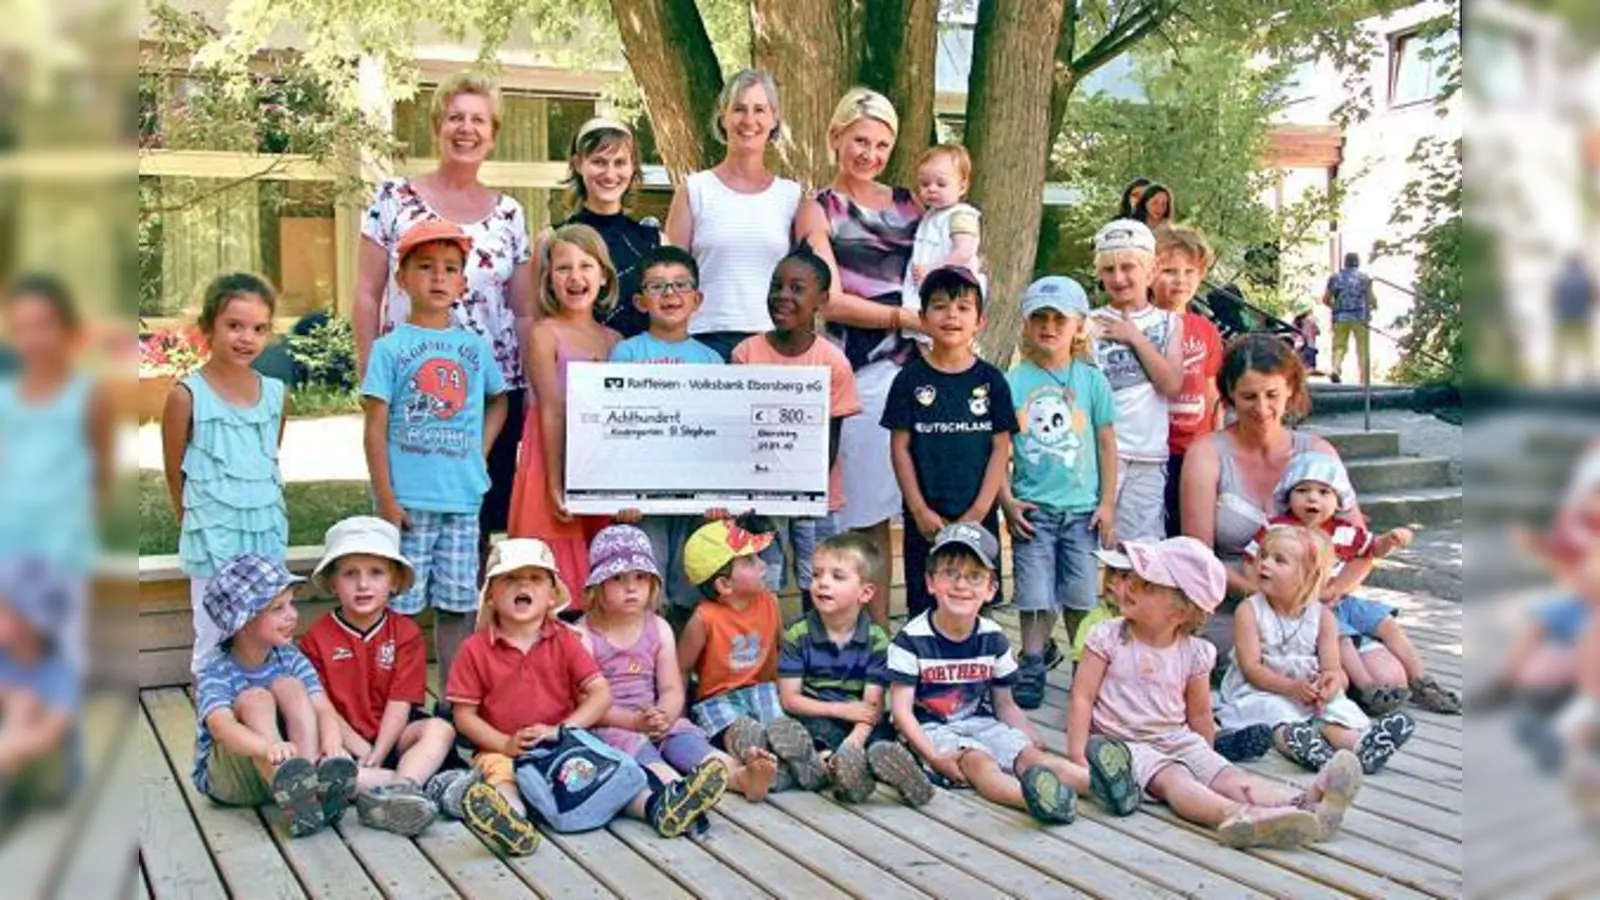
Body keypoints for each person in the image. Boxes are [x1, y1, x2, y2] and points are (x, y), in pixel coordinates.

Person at [1070, 538, 1362, 848]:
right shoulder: (1108, 636)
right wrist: (1078, 755)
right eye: (1131, 579)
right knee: (1174, 781)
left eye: (1145, 585)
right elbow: (1082, 697)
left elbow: (1199, 712)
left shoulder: (1195, 652)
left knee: (1229, 776)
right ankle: (1238, 814)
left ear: (1180, 610)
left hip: (1177, 738)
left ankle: (1307, 802)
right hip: (1123, 745)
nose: (1127, 586)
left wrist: (1206, 760)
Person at [353, 72, 536, 557]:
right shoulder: (394, 199)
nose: (466, 129)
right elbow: (368, 293)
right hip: (410, 386)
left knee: (475, 520)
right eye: (455, 117)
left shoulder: (510, 214)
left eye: (478, 120)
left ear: (493, 134)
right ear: (437, 126)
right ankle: (404, 625)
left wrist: (531, 387)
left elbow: (522, 311)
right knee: (405, 517)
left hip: (488, 391)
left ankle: (472, 622)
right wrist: (367, 371)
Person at [448, 538, 727, 856]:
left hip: (565, 745)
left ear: (552, 595)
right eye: (510, 578)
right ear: (492, 595)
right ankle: (511, 824)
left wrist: (564, 730)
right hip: (502, 747)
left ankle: (659, 806)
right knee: (504, 780)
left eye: (536, 578)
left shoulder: (565, 639)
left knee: (608, 779)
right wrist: (503, 743)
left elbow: (600, 693)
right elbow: (464, 715)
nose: (523, 585)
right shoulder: (475, 649)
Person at [887, 523, 1136, 824]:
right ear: (930, 582)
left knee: (1031, 757)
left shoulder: (993, 636)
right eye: (950, 574)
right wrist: (933, 756)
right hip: (932, 732)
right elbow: (902, 713)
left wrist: (1027, 734)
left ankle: (1104, 785)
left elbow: (1004, 703)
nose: (961, 585)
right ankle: (1034, 799)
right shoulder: (911, 639)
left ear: (991, 589)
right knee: (981, 764)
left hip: (982, 723)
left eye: (974, 577)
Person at [361, 220, 509, 690]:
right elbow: (374, 427)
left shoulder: (473, 347)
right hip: (408, 501)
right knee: (402, 606)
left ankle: (453, 698)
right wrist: (386, 497)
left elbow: (498, 400)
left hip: (462, 501)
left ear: (464, 282)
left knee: (458, 602)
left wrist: (479, 453)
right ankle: (399, 698)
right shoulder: (390, 349)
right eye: (425, 268)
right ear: (402, 278)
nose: (439, 278)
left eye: (450, 269)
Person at [816, 87, 924, 625]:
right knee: (860, 510)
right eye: (860, 140)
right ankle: (866, 632)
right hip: (858, 369)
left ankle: (896, 632)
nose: (870, 154)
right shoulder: (819, 210)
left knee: (898, 506)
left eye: (882, 145)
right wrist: (902, 318)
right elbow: (829, 298)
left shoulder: (912, 203)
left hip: (919, 371)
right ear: (836, 137)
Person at [1179, 333, 1352, 664]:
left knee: (1386, 674)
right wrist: (1266, 595)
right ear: (1228, 395)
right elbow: (1197, 554)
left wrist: (1330, 592)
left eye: (1272, 395)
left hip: (1313, 602)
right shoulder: (1207, 454)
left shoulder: (1317, 451)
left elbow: (1359, 540)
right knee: (1263, 659)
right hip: (1233, 600)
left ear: (1290, 388)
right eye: (1248, 397)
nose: (1261, 409)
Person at [1243, 453, 1461, 715]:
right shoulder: (1278, 529)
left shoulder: (1343, 530)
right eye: (1302, 490)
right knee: (1339, 637)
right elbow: (1253, 559)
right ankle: (1369, 688)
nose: (1313, 498)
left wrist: (1390, 540)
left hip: (1342, 598)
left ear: (1339, 500)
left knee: (1386, 622)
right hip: (1308, 606)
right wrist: (1267, 591)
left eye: (1324, 492)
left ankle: (1421, 680)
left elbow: (1371, 549)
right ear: (1288, 495)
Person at [577, 525, 779, 804]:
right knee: (639, 754)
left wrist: (665, 715)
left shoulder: (658, 628)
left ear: (653, 584)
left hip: (658, 717)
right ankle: (677, 793)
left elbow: (671, 687)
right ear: (597, 587)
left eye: (640, 577)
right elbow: (586, 703)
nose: (631, 587)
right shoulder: (584, 636)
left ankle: (741, 776)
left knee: (687, 741)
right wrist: (635, 722)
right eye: (618, 579)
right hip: (612, 725)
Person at [161, 272, 289, 675]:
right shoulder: (186, 396)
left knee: (263, 632)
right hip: (212, 535)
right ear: (208, 328)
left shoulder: (275, 395)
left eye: (258, 328)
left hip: (264, 530)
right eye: (234, 325)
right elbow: (173, 474)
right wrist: (192, 521)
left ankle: (259, 727)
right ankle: (210, 730)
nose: (246, 337)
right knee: (212, 636)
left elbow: (269, 461)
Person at [298, 517, 456, 836]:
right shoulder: (316, 638)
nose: (363, 584)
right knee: (321, 770)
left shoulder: (406, 633)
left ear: (395, 581)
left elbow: (401, 703)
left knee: (440, 729)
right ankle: (410, 788)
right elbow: (322, 707)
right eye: (350, 574)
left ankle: (394, 793)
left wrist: (380, 752)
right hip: (343, 745)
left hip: (393, 737)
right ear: (332, 582)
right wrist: (362, 753)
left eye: (376, 572)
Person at [1215, 525, 1415, 775]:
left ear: (1308, 575)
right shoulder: (1250, 610)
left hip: (1309, 692)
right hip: (1260, 690)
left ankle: (1362, 746)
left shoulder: (1322, 617)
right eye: (1263, 556)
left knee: (1331, 715)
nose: (1264, 564)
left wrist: (1330, 684)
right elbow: (1252, 668)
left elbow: (1333, 667)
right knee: (1279, 716)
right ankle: (1308, 749)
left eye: (1279, 560)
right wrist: (1290, 688)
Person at [1001, 276, 1116, 709]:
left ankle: (1085, 665)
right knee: (1033, 595)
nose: (1049, 327)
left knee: (1082, 596)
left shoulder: (1091, 381)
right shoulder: (1013, 382)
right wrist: (1006, 500)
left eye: (1059, 319)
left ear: (1079, 326)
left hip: (1082, 511)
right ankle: (1032, 660)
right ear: (1027, 326)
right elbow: (999, 448)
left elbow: (1106, 443)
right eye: (1040, 319)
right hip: (1034, 510)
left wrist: (1107, 503)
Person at [665, 68, 834, 362]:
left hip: (773, 341)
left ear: (774, 119)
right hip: (704, 340)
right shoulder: (694, 190)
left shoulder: (792, 197)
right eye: (739, 109)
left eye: (760, 110)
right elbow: (670, 275)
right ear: (723, 116)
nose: (749, 120)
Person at [733, 245, 863, 610]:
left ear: (821, 299)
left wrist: (798, 485)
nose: (782, 297)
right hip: (759, 499)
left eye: (796, 288)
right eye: (776, 286)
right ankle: (765, 655)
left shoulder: (832, 362)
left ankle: (820, 653)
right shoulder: (746, 354)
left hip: (816, 497)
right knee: (761, 581)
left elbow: (831, 439)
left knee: (822, 582)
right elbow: (739, 434)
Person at [884, 266, 1018, 619]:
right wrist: (918, 509)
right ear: (923, 318)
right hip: (926, 520)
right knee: (924, 606)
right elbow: (900, 447)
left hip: (977, 517)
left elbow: (1001, 447)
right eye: (940, 306)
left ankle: (980, 670)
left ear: (980, 320)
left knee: (976, 602)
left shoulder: (992, 381)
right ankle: (924, 670)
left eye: (963, 307)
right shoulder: (908, 380)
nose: (951, 315)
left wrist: (978, 513)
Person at [190, 555, 354, 837]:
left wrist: (332, 744)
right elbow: (222, 726)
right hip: (232, 780)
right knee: (256, 698)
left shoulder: (290, 658)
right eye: (278, 608)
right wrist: (267, 749)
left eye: (291, 604)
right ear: (243, 621)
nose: (292, 615)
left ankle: (308, 780)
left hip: (284, 767)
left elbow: (323, 709)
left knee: (289, 685)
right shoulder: (216, 670)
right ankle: (291, 778)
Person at [0, 275, 111, 667]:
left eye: (43, 325)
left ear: (66, 329)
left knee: (62, 651)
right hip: (10, 541)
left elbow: (101, 470)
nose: (32, 337)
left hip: (64, 545)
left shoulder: (86, 394)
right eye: (21, 328)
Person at [507, 224, 621, 605]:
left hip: (600, 461)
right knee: (551, 565)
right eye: (563, 268)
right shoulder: (545, 333)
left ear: (604, 276)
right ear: (549, 278)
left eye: (586, 266)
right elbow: (551, 409)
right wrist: (557, 482)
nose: (575, 277)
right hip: (551, 457)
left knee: (601, 560)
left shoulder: (615, 341)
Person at [776, 532, 934, 805]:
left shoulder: (876, 640)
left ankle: (881, 770)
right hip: (817, 714)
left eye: (837, 577)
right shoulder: (797, 635)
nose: (822, 583)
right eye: (816, 575)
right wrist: (837, 710)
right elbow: (790, 699)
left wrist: (855, 741)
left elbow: (871, 706)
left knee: (881, 739)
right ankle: (844, 771)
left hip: (861, 721)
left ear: (866, 592)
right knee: (800, 730)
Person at [676, 518, 829, 791]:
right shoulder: (704, 618)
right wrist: (680, 716)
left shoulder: (769, 602)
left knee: (781, 725)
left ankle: (801, 760)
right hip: (718, 699)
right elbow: (681, 669)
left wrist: (800, 687)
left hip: (764, 690)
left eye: (758, 557)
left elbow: (784, 649)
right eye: (749, 562)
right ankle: (764, 762)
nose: (763, 565)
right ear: (724, 585)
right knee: (740, 730)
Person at [1089, 220, 1184, 544]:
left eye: (1128, 267)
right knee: (1096, 540)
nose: (1118, 278)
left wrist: (1135, 339)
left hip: (1148, 454)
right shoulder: (1088, 323)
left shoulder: (1168, 322)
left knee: (1143, 546)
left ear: (1150, 268)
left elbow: (1171, 384)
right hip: (1100, 454)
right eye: (1109, 269)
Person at [557, 117, 661, 339]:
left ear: (633, 167)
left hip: (638, 368)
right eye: (599, 162)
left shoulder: (655, 242)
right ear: (577, 164)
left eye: (620, 162)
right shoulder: (553, 239)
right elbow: (537, 314)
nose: (610, 174)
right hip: (573, 366)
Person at [1151, 225, 1225, 538]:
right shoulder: (1142, 325)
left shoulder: (1205, 329)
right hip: (1153, 449)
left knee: (1191, 531)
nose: (1180, 280)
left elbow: (1214, 394)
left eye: (1189, 271)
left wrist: (1220, 446)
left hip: (1196, 450)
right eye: (1169, 270)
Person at [0, 558, 84, 822]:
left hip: (49, 775)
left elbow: (51, 733)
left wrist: (8, 749)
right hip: (14, 762)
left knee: (23, 704)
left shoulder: (58, 671)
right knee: (18, 703)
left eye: (6, 612)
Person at [900, 144, 982, 333]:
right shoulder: (930, 215)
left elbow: (963, 252)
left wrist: (933, 271)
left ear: (962, 186)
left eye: (941, 184)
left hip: (949, 293)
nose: (932, 189)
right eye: (925, 184)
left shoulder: (960, 215)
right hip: (923, 295)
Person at [1320, 251, 1377, 385]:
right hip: (1360, 317)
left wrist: (1335, 307)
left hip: (1341, 317)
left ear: (1344, 263)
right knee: (1362, 348)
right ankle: (1364, 379)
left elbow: (1325, 299)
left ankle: (1335, 369)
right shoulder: (1364, 278)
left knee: (1339, 346)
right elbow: (1371, 298)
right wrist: (1374, 305)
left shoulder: (1335, 278)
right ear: (1358, 263)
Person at [1291, 309, 1321, 375]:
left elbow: (1293, 335)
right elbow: (1318, 332)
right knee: (1311, 367)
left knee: (1300, 364)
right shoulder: (1311, 322)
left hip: (1298, 346)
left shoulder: (1295, 322)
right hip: (1310, 345)